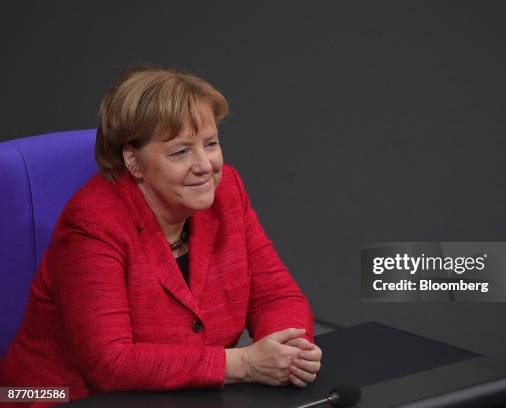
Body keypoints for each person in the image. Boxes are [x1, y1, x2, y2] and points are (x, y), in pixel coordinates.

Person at [0, 66, 322, 404]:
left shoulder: (226, 191)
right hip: (62, 398)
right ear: (133, 161)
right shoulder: (92, 222)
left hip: (182, 395)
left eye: (210, 144)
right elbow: (110, 363)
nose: (204, 165)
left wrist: (287, 352)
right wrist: (243, 363)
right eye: (181, 151)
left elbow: (276, 296)